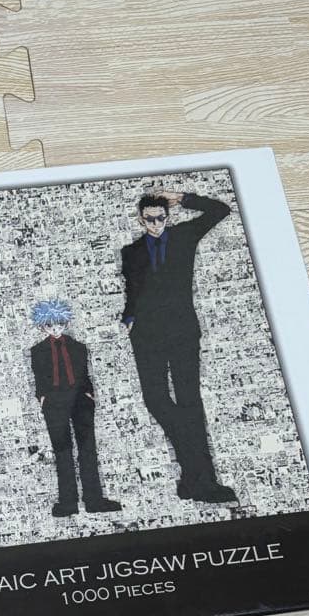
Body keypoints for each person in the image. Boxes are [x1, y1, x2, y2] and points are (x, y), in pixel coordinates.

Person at [120, 190, 236, 503]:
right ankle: (193, 476)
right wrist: (128, 317)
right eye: (149, 219)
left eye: (161, 218)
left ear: (167, 216)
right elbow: (132, 290)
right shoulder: (130, 252)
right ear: (141, 219)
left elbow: (220, 210)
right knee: (155, 400)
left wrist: (183, 198)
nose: (156, 223)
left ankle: (202, 483)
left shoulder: (185, 236)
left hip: (182, 332)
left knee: (189, 403)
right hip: (146, 335)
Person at [30, 299, 122, 518]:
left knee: (87, 449)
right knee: (62, 451)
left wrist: (89, 394)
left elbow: (84, 373)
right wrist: (43, 398)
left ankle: (94, 500)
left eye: (59, 324)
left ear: (66, 323)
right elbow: (39, 377)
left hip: (80, 400)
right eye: (50, 325)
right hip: (54, 403)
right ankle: (68, 502)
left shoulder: (78, 347)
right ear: (42, 326)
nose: (55, 329)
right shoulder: (38, 351)